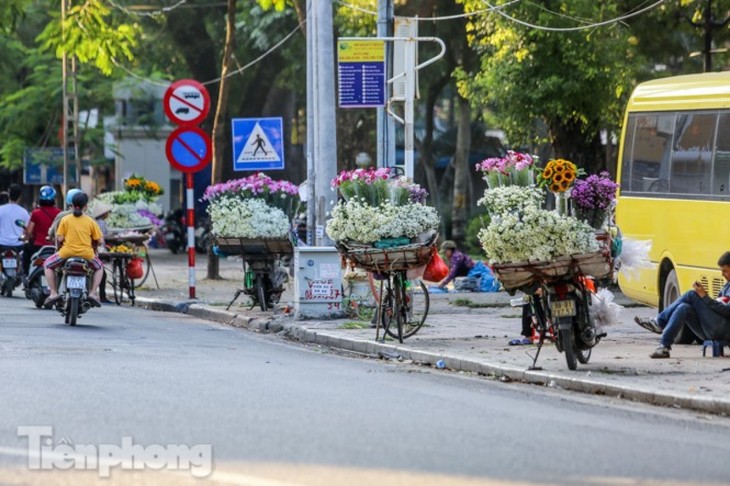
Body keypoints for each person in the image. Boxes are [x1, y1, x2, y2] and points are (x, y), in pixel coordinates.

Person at [635, 251, 730, 358]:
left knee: (691, 295)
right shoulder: (727, 286)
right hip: (712, 328)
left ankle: (660, 322)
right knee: (683, 308)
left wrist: (704, 297)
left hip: (724, 329)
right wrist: (704, 300)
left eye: (725, 271)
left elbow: (727, 311)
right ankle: (664, 347)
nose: (723, 275)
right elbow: (718, 304)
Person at [43, 192, 104, 308]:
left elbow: (59, 238)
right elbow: (100, 241)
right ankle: (92, 293)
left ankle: (53, 293)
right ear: (86, 206)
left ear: (72, 204)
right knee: (100, 267)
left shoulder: (65, 219)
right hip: (87, 255)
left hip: (66, 253)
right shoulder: (91, 221)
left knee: (47, 264)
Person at [22, 186, 61, 274]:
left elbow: (29, 232)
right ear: (54, 199)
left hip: (38, 248)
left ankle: (25, 274)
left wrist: (27, 236)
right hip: (54, 247)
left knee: (26, 248)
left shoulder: (36, 213)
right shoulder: (59, 213)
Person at [91, 201, 113, 303]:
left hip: (94, 249)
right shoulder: (101, 223)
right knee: (101, 273)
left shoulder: (96, 222)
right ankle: (100, 295)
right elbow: (101, 239)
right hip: (98, 250)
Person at [0, 183, 30, 257]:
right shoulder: (24, 212)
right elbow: (27, 231)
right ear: (20, 197)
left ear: (8, 195)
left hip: (2, 244)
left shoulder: (1, 210)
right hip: (18, 246)